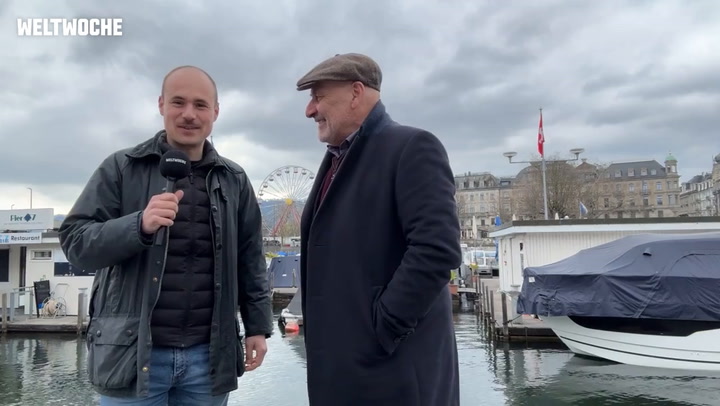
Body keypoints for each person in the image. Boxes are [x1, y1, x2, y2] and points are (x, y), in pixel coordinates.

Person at [58, 65, 273, 405]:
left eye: (200, 105)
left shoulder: (233, 179)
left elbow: (251, 259)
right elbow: (76, 242)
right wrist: (138, 225)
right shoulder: (121, 167)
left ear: (215, 112)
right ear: (161, 105)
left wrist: (257, 327)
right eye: (178, 102)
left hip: (209, 359)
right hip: (131, 355)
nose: (189, 114)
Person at [295, 53, 462, 405]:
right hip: (348, 376)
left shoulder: (412, 147)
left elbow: (436, 249)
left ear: (356, 93)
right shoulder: (337, 159)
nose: (310, 110)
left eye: (318, 96)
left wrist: (381, 328)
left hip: (394, 376)